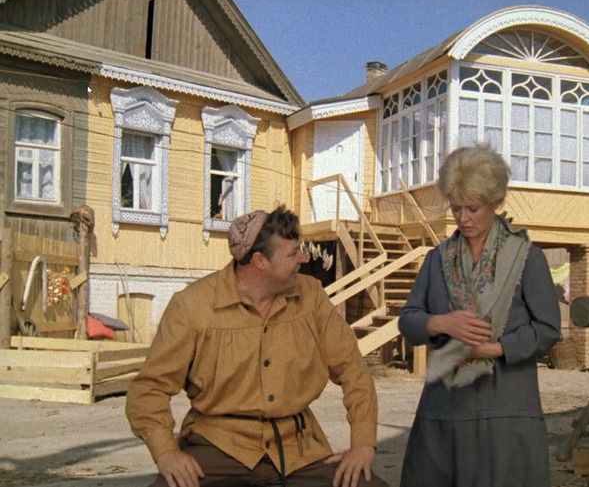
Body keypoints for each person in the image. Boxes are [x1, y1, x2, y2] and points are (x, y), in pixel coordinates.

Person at [126, 205, 388, 487]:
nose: (303, 259)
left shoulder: (311, 296)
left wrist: (363, 446)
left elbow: (352, 370)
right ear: (260, 261)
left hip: (297, 449)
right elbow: (149, 389)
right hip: (216, 447)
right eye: (292, 254)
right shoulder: (191, 307)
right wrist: (166, 452)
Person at [398, 145, 561, 487]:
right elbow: (408, 319)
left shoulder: (527, 259)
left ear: (494, 202)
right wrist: (441, 323)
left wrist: (492, 349)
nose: (463, 218)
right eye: (456, 208)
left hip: (506, 409)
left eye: (473, 208)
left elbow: (547, 328)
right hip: (444, 409)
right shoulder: (436, 259)